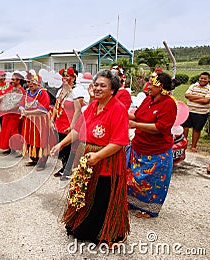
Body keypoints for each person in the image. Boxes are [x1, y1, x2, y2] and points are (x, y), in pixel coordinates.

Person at [50, 69, 130, 245]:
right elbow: (78, 130)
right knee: (86, 193)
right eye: (96, 85)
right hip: (89, 159)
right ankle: (82, 224)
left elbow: (118, 142)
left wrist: (98, 156)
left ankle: (109, 231)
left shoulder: (118, 109)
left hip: (107, 160)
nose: (97, 88)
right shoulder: (92, 106)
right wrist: (60, 145)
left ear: (112, 90)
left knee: (102, 195)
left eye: (103, 86)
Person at [127, 72, 180, 218]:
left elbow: (160, 128)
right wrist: (121, 113)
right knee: (134, 177)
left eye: (152, 84)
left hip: (157, 150)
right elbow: (137, 115)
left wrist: (136, 124)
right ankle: (133, 202)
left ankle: (149, 209)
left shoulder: (169, 104)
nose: (148, 87)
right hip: (139, 145)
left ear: (160, 86)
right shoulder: (147, 100)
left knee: (153, 181)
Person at [52, 68, 85, 179]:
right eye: (63, 76)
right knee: (62, 147)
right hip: (59, 123)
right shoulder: (60, 91)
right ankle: (64, 167)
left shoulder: (77, 91)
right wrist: (52, 119)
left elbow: (78, 110)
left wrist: (73, 125)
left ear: (74, 77)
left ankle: (68, 169)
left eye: (68, 76)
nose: (65, 78)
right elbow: (56, 107)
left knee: (69, 148)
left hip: (69, 124)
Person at [20, 73, 52, 171]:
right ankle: (34, 158)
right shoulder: (27, 92)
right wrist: (23, 110)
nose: (30, 84)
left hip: (40, 121)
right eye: (28, 82)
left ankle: (42, 162)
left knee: (40, 140)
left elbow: (44, 109)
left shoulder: (43, 93)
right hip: (29, 121)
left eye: (32, 81)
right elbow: (22, 104)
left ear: (38, 83)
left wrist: (27, 112)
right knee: (30, 139)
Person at [181, 72, 210, 152]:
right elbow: (186, 95)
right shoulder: (193, 86)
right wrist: (201, 97)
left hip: (201, 113)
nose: (202, 80)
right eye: (201, 78)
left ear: (209, 79)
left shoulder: (209, 89)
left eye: (205, 78)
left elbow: (206, 101)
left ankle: (193, 146)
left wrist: (192, 98)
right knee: (185, 127)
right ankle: (184, 144)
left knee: (196, 129)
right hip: (189, 111)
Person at [0, 72, 26, 154]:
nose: (12, 81)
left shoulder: (22, 91)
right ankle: (9, 147)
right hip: (7, 113)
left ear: (19, 80)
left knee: (13, 130)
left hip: (15, 114)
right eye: (12, 79)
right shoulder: (11, 89)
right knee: (6, 129)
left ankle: (18, 148)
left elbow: (20, 103)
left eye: (14, 79)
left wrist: (9, 107)